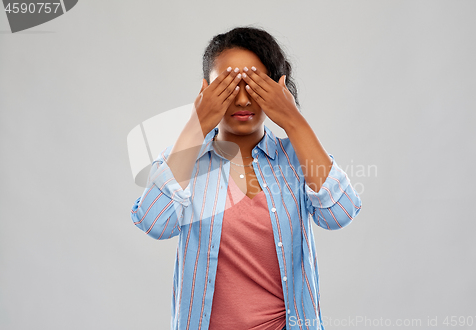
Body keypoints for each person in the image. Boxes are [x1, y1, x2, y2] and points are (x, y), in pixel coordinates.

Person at [130, 26, 362, 330]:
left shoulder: (296, 159)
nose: (241, 100)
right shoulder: (186, 161)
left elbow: (340, 213)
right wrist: (196, 125)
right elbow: (153, 223)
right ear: (205, 91)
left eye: (253, 85)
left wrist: (293, 120)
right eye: (227, 86)